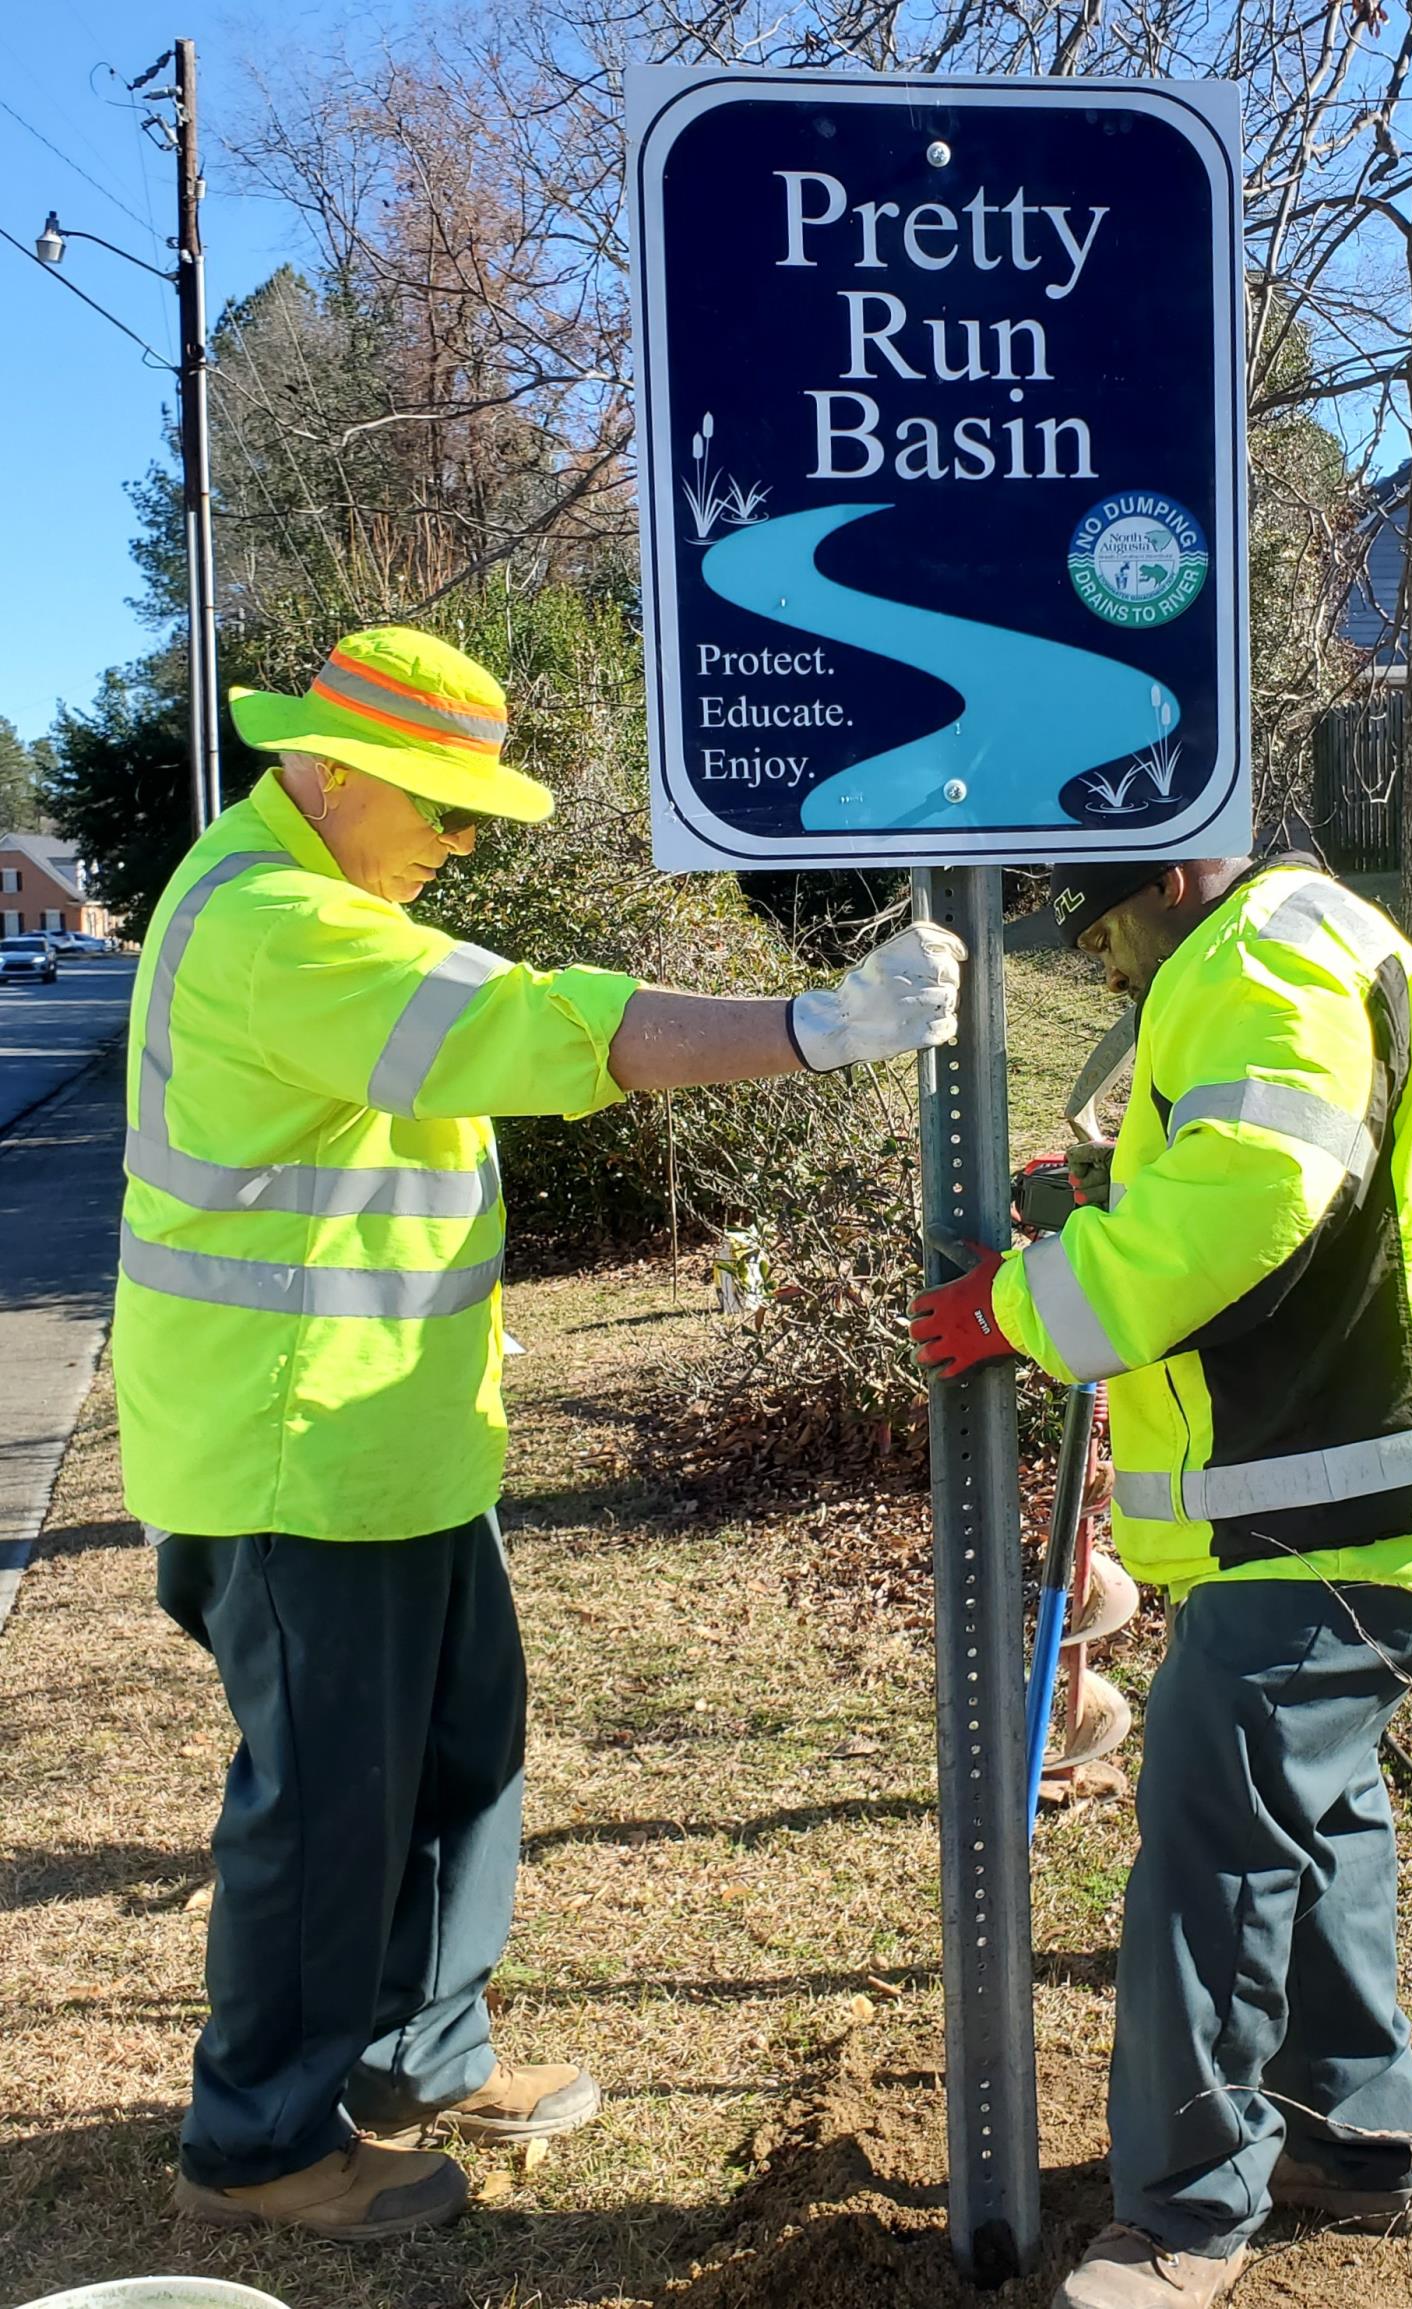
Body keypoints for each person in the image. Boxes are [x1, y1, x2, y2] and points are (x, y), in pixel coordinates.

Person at [117, 625, 962, 2242]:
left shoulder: (329, 900)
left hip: (396, 1442)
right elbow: (543, 1028)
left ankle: (417, 2060)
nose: (460, 841)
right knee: (327, 1805)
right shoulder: (276, 923)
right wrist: (810, 1026)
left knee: (459, 1756)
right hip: (293, 1459)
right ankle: (258, 2143)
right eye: (443, 809)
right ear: (336, 772)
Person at [910, 854, 1412, 2309]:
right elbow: (1252, 1169)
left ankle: (1181, 2217)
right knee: (1313, 1806)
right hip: (1367, 1495)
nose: (1103, 972)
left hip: (1360, 1496)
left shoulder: (1260, 955)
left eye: (1102, 935)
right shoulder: (1268, 953)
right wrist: (1101, 1195)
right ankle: (1356, 2137)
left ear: (1168, 873)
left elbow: (1248, 1201)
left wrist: (1020, 1304)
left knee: (1220, 1809)